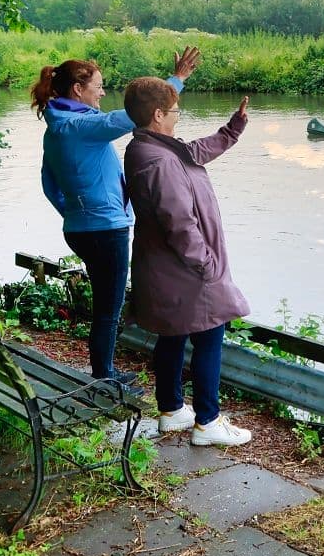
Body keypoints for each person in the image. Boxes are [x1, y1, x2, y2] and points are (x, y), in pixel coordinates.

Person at [31, 47, 200, 386]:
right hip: (104, 229)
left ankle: (102, 371)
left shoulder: (56, 128)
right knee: (109, 309)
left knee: (106, 304)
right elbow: (132, 115)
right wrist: (176, 81)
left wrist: (76, 212)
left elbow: (50, 185)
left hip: (80, 228)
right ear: (78, 90)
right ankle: (104, 377)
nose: (103, 92)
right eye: (98, 85)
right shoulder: (80, 125)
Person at [122, 78, 252, 446]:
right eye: (176, 111)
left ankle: (172, 411)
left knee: (173, 332)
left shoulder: (151, 148)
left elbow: (195, 150)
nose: (179, 117)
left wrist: (232, 130)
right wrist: (206, 263)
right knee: (211, 332)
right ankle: (207, 423)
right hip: (185, 267)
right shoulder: (159, 162)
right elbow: (179, 222)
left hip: (166, 266)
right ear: (158, 114)